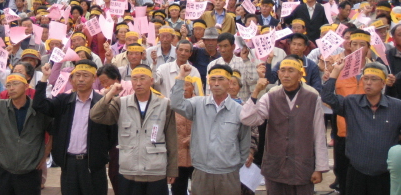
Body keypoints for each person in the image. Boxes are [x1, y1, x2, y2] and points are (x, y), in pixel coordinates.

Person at [241, 55, 328, 195]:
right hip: (275, 165)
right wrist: (256, 91)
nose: (286, 75)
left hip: (302, 165)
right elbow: (247, 119)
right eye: (282, 70)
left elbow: (319, 134)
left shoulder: (313, 98)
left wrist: (319, 168)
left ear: (300, 74)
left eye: (291, 70)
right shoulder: (270, 96)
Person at [90, 64, 178, 195]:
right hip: (128, 171)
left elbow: (171, 139)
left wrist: (172, 169)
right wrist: (110, 94)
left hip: (156, 170)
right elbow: (96, 116)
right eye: (135, 79)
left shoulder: (164, 104)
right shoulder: (121, 102)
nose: (138, 83)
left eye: (143, 78)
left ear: (151, 80)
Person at [33, 60, 114, 195]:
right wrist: (44, 78)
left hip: (93, 166)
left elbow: (111, 135)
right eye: (77, 75)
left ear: (94, 78)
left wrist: (99, 155)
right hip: (69, 165)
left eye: (85, 75)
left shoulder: (102, 103)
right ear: (72, 78)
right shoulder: (63, 101)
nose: (81, 79)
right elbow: (39, 105)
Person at [322, 61, 401, 195]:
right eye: (366, 78)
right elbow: (327, 97)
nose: (368, 83)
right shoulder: (351, 103)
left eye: (374, 79)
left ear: (383, 83)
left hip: (385, 174)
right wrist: (335, 72)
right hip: (356, 173)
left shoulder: (396, 106)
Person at [170, 64, 251, 195]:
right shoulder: (198, 104)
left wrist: (233, 165)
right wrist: (181, 77)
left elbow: (244, 143)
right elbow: (175, 104)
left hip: (228, 174)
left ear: (230, 82)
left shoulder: (239, 111)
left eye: (221, 79)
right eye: (213, 79)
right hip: (202, 172)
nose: (216, 83)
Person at [207, 32, 261, 101]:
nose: (223, 50)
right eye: (220, 46)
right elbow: (209, 88)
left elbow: (253, 80)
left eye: (225, 46)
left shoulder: (244, 62)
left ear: (233, 47)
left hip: (241, 105)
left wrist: (246, 60)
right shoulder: (212, 65)